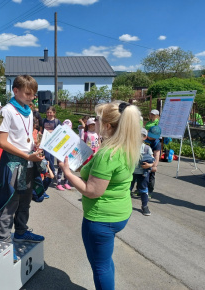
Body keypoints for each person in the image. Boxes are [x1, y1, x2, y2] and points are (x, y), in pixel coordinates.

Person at [58, 101, 141, 290]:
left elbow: (92, 191)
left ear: (108, 126)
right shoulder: (127, 146)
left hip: (101, 218)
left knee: (100, 266)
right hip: (119, 213)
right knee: (105, 261)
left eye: (97, 119)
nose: (94, 122)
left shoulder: (108, 154)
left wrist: (68, 173)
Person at [0, 75, 45, 262]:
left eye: (34, 94)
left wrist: (34, 147)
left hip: (28, 162)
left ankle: (21, 232)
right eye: (28, 93)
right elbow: (2, 141)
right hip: (12, 164)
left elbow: (26, 138)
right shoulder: (6, 111)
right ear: (15, 91)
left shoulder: (28, 111)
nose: (32, 97)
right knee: (9, 203)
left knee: (25, 201)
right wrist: (26, 155)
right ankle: (4, 242)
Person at [130, 128, 154, 216]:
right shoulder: (130, 146)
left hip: (143, 173)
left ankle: (144, 206)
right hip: (131, 172)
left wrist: (150, 165)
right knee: (127, 188)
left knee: (143, 189)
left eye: (142, 135)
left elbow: (152, 160)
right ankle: (125, 205)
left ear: (145, 137)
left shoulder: (147, 148)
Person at [42, 106, 61, 187]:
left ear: (54, 113)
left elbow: (60, 131)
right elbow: (41, 130)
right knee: (47, 156)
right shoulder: (44, 121)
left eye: (50, 112)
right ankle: (53, 171)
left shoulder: (57, 121)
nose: (49, 114)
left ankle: (51, 173)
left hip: (54, 142)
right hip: (45, 142)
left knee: (52, 158)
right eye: (47, 112)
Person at [144, 125, 162, 198]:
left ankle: (149, 191)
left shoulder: (157, 143)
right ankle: (140, 189)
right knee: (141, 176)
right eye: (150, 135)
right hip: (142, 159)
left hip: (151, 161)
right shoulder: (144, 138)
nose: (151, 137)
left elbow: (157, 155)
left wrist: (154, 165)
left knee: (151, 177)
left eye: (153, 137)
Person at [56, 119, 72, 191]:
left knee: (67, 169)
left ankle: (66, 182)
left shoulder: (72, 136)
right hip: (60, 155)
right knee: (60, 169)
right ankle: (58, 184)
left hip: (68, 155)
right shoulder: (60, 135)